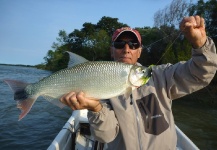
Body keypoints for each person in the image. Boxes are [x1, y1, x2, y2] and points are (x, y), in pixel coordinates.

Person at [60, 15, 217, 150]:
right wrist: (95, 108)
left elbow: (201, 73)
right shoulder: (101, 85)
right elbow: (106, 136)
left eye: (133, 45)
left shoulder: (161, 75)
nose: (127, 49)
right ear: (112, 51)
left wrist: (200, 45)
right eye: (120, 44)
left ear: (140, 51)